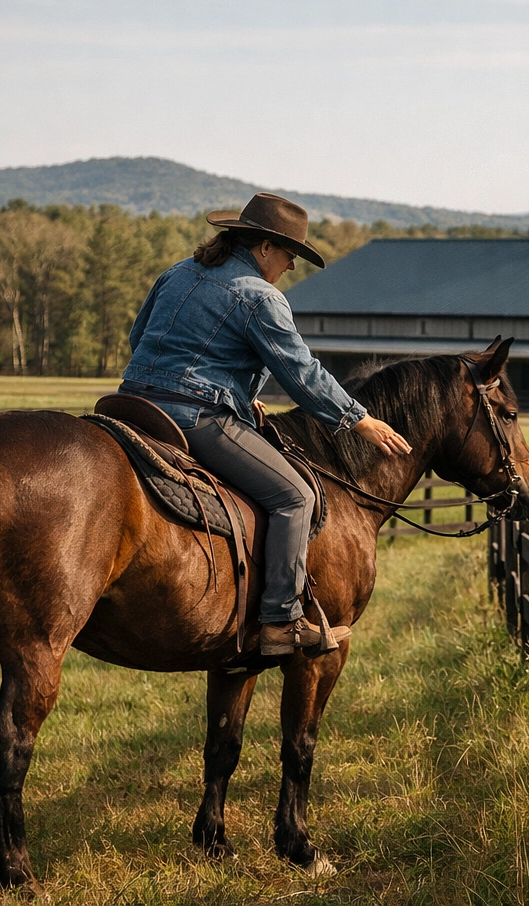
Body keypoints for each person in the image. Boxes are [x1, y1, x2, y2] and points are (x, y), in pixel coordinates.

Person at [119, 192, 412, 656]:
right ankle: (280, 620)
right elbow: (301, 374)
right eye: (290, 255)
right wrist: (360, 420)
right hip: (195, 416)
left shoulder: (177, 272)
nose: (291, 267)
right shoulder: (259, 296)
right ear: (264, 248)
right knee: (296, 496)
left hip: (131, 403)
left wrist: (239, 395)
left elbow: (140, 338)